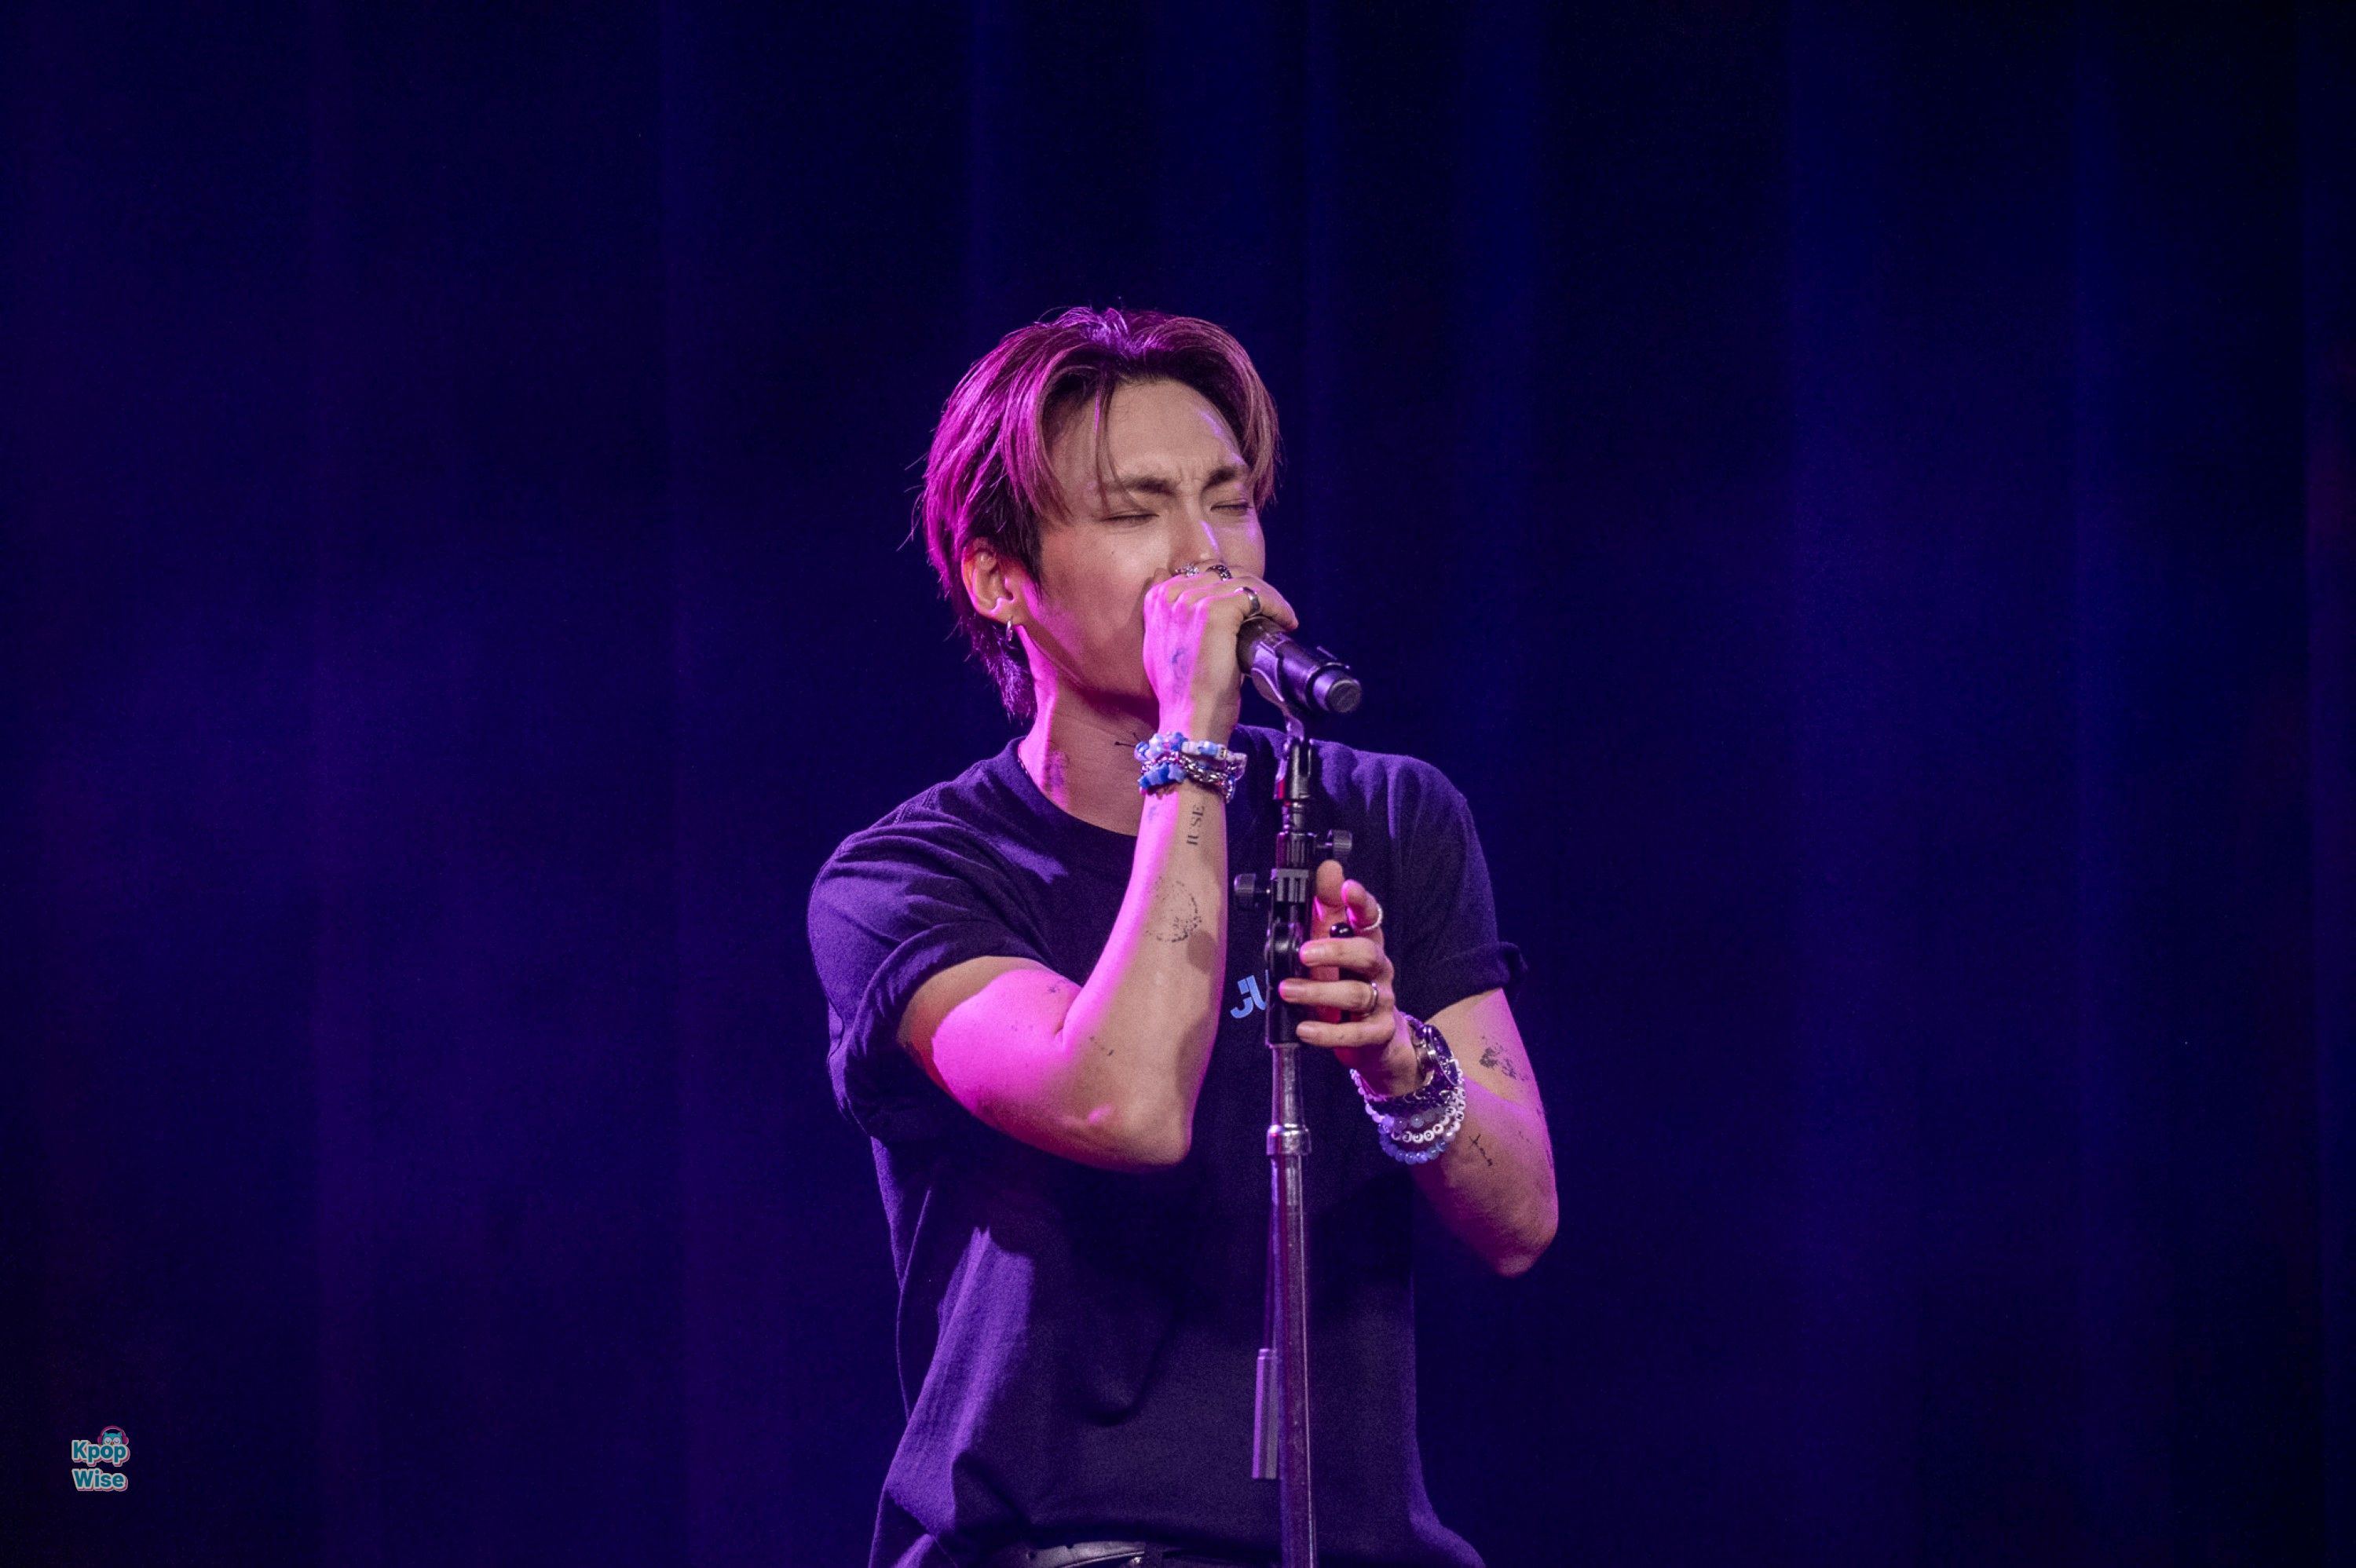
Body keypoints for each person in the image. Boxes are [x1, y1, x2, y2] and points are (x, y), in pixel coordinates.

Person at [807, 307, 1556, 1568]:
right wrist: (1192, 743)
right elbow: (1126, 1104)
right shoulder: (910, 876)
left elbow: (1522, 1215)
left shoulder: (1388, 815)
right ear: (999, 577)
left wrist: (1399, 1062)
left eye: (1229, 500)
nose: (1204, 554)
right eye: (1135, 509)